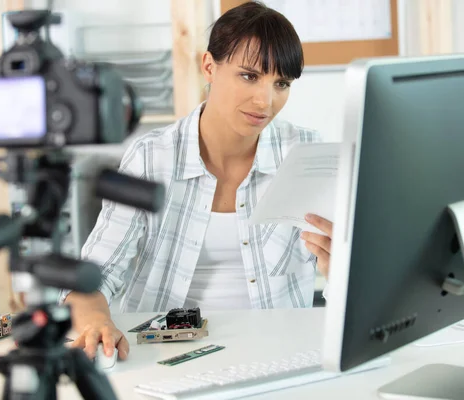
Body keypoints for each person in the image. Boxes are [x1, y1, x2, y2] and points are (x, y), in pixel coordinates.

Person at [63, 1, 333, 361]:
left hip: (276, 354)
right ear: (209, 66)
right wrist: (96, 322)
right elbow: (93, 277)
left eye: (281, 83)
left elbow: (355, 285)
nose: (265, 101)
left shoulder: (306, 153)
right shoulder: (151, 158)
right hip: (162, 356)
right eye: (249, 76)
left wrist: (340, 271)